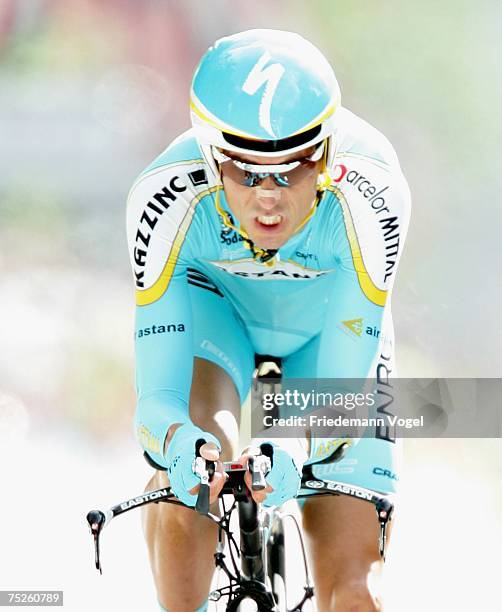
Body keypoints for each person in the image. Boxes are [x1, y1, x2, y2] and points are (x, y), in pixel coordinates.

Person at [127, 29, 411, 612]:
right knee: (188, 493)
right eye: (248, 174)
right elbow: (157, 401)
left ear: (327, 157)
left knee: (357, 595)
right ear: (211, 159)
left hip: (326, 332)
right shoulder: (163, 198)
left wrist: (297, 451)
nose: (269, 199)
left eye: (293, 171)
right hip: (218, 317)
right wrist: (180, 446)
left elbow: (341, 397)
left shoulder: (374, 192)